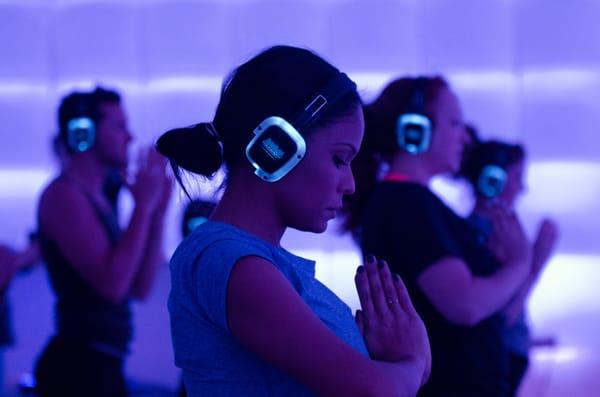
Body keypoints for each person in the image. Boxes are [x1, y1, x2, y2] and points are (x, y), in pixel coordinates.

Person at [156, 45, 431, 397]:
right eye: (338, 159)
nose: (349, 185)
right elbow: (375, 392)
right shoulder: (230, 262)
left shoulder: (254, 263)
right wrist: (412, 363)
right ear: (277, 145)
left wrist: (384, 361)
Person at [342, 76, 532, 396]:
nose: (465, 138)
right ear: (415, 128)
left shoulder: (414, 202)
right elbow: (465, 305)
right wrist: (520, 262)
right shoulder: (406, 203)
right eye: (455, 123)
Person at [34, 86, 171, 397]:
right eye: (120, 126)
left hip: (102, 365)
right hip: (77, 371)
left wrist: (157, 212)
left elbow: (140, 287)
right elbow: (112, 286)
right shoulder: (63, 196)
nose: (130, 137)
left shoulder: (100, 199)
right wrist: (142, 208)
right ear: (85, 131)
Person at [458, 125, 559, 395]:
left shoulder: (496, 231)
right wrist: (536, 260)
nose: (522, 188)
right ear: (493, 179)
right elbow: (503, 316)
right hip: (495, 359)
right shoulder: (479, 236)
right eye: (517, 177)